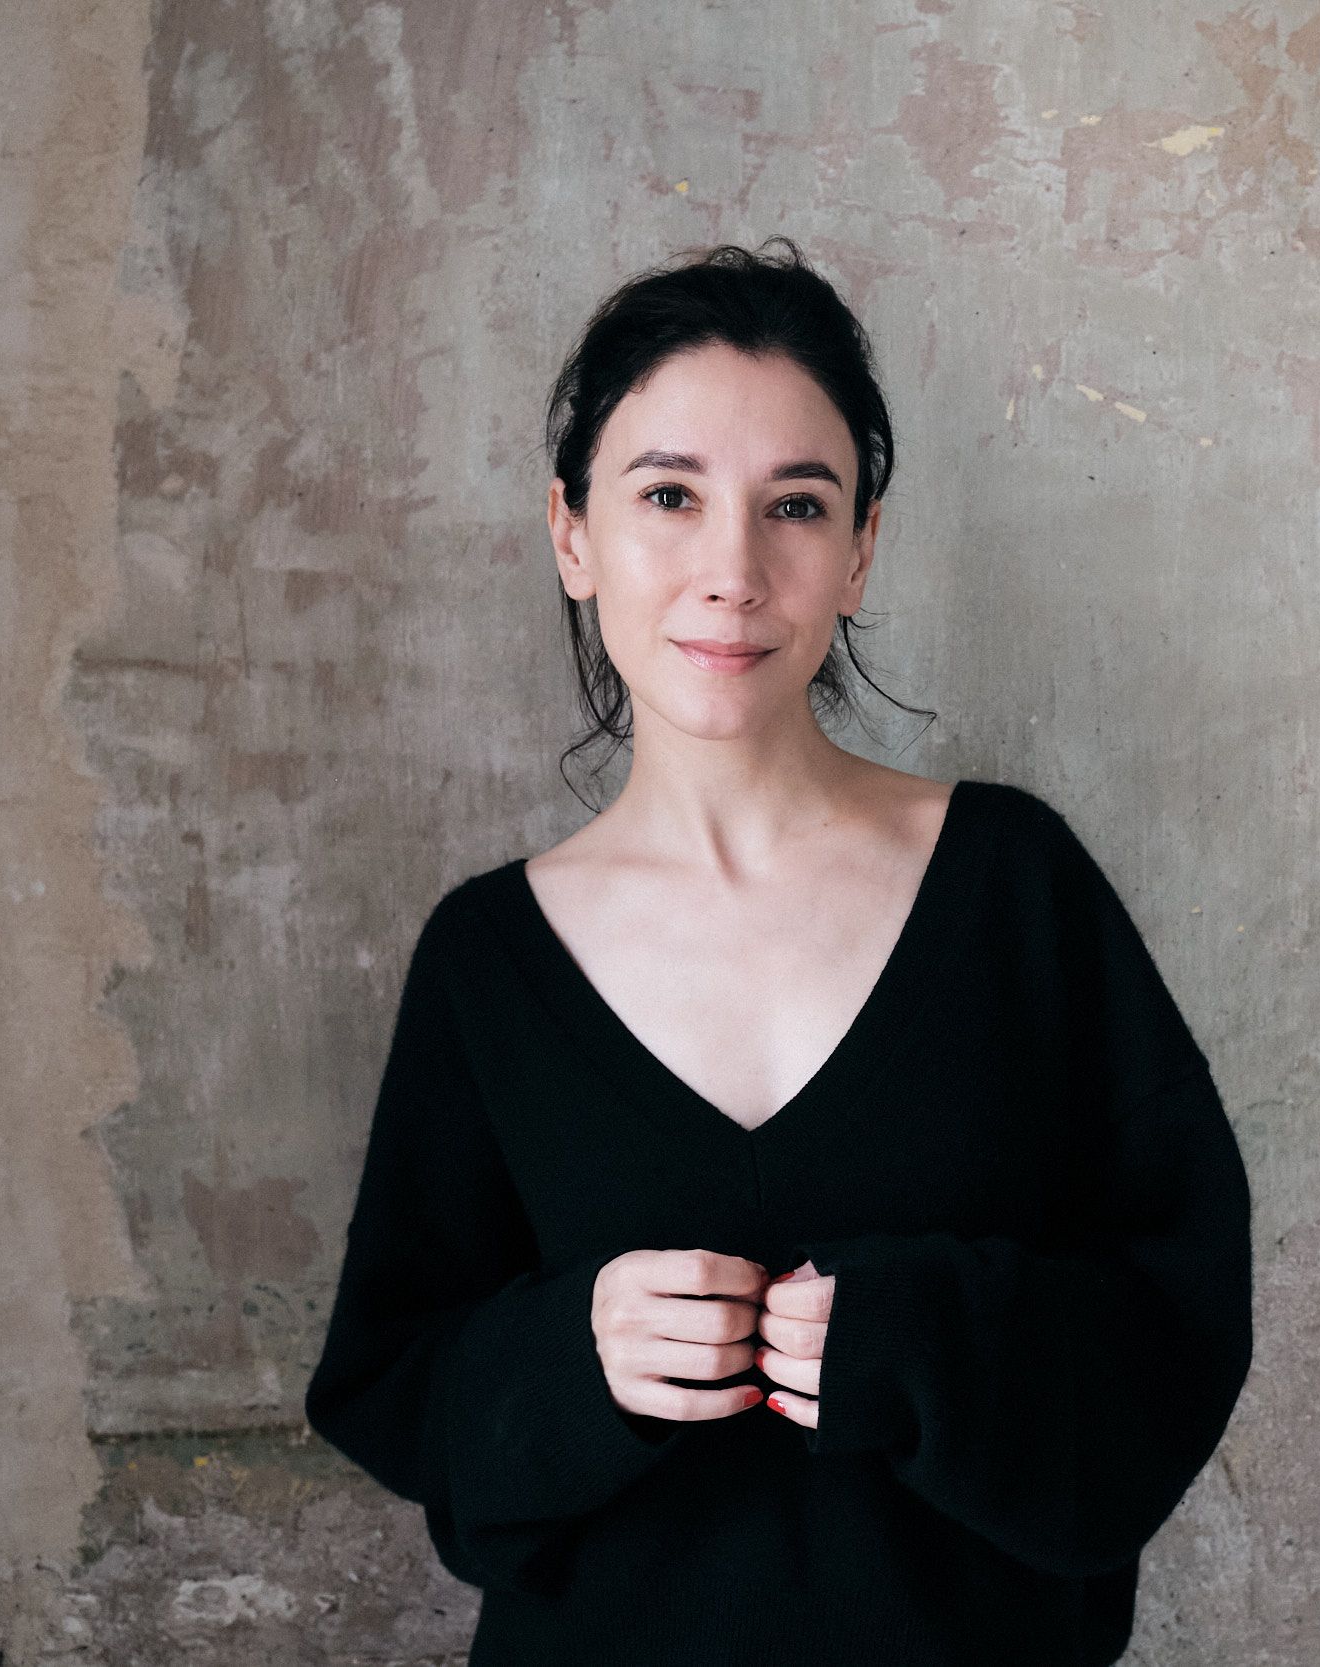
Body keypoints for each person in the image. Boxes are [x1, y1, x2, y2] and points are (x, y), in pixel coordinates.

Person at [301, 240, 1255, 1665]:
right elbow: (393, 1386)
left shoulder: (1014, 888)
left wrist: (928, 1342)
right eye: (669, 496)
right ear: (572, 534)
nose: (733, 573)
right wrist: (576, 1356)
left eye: (795, 506)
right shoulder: (488, 960)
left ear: (859, 550)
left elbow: (1178, 1320)